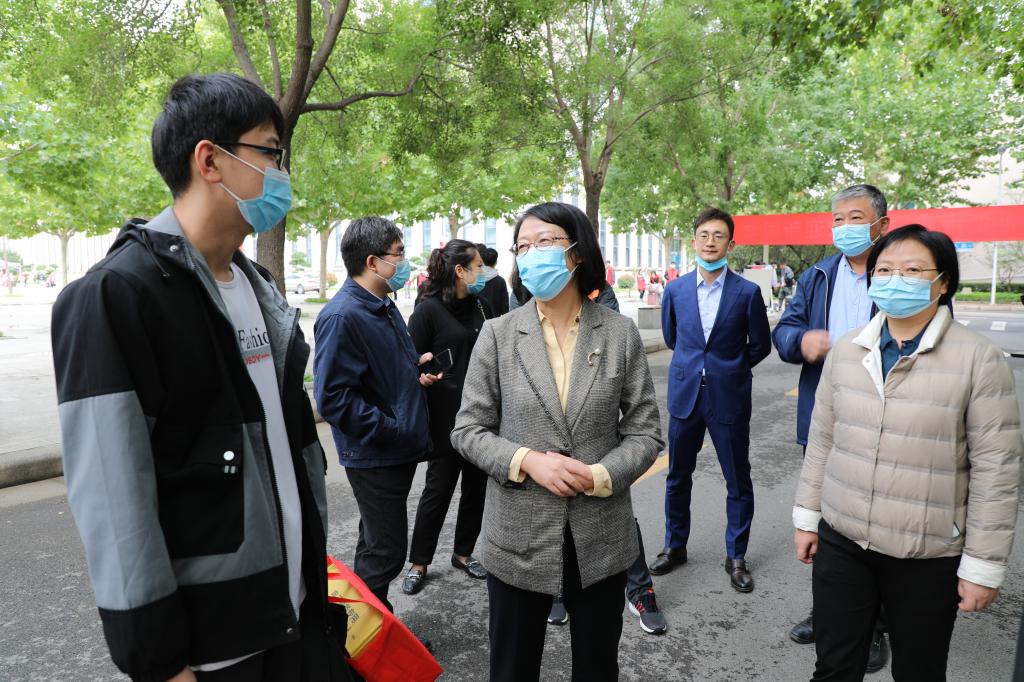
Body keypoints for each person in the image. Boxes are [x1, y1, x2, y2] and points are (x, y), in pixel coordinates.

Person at [50, 73, 352, 682]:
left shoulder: (260, 290)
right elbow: (114, 496)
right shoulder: (117, 296)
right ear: (210, 160)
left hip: (294, 617)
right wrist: (160, 662)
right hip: (214, 648)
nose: (282, 174)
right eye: (271, 152)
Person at [793, 225, 1021, 680]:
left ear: (943, 283)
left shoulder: (979, 359)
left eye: (913, 270)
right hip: (843, 540)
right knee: (834, 666)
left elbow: (997, 471)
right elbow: (822, 441)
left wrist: (982, 565)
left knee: (919, 670)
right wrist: (807, 516)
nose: (895, 280)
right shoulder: (847, 350)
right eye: (884, 270)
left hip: (927, 553)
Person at [451, 201, 663, 682]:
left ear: (576, 251)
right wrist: (527, 461)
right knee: (512, 667)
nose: (532, 254)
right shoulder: (498, 334)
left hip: (600, 534)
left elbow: (645, 430)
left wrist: (601, 474)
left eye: (545, 241)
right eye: (523, 246)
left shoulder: (619, 333)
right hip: (517, 535)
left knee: (597, 666)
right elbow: (468, 429)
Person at [772, 183, 890, 671]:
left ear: (881, 224)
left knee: (875, 525)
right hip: (825, 416)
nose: (844, 228)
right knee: (823, 520)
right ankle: (828, 612)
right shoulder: (817, 275)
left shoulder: (900, 273)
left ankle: (875, 625)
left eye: (855, 218)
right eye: (837, 219)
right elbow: (783, 332)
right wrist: (802, 341)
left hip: (885, 421)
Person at [313, 216, 442, 614]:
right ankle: (362, 638)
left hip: (393, 449)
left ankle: (371, 636)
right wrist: (393, 429)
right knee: (386, 552)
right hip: (376, 454)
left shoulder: (381, 305)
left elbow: (376, 373)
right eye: (398, 254)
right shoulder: (343, 315)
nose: (405, 262)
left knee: (374, 545)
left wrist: (413, 373)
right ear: (372, 262)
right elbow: (333, 398)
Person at [650, 207, 771, 594]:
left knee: (737, 479)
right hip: (686, 395)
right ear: (694, 241)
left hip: (728, 396)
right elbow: (672, 338)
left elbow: (760, 345)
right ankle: (675, 546)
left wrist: (729, 368)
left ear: (730, 244)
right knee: (677, 476)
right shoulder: (675, 290)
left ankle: (736, 557)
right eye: (704, 235)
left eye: (719, 236)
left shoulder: (747, 292)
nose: (710, 242)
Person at [401, 240, 492, 596]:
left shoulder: (482, 306)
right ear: (460, 270)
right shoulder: (428, 310)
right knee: (438, 490)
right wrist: (421, 374)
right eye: (478, 266)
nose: (482, 272)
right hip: (446, 417)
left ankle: (463, 553)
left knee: (476, 488)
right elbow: (410, 362)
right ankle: (419, 562)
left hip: (483, 414)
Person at [476, 244, 510, 317]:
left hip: (479, 319)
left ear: (482, 261)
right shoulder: (500, 281)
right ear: (496, 262)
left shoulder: (475, 278)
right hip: (495, 320)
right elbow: (505, 307)